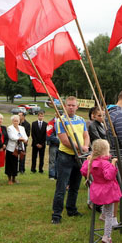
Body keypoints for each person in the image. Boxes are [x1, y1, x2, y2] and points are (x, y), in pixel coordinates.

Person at [51, 96, 90, 224]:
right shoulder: (61, 121)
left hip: (79, 157)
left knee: (75, 185)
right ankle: (56, 214)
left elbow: (86, 135)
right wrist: (81, 148)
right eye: (69, 105)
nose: (71, 107)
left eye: (73, 105)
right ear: (65, 106)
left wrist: (85, 146)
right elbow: (64, 140)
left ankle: (71, 209)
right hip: (65, 156)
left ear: (77, 107)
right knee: (61, 186)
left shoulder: (81, 120)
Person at [80, 139, 121, 243]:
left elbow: (84, 171)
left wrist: (87, 160)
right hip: (108, 191)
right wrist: (113, 164)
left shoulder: (92, 162)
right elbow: (109, 176)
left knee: (106, 208)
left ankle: (103, 214)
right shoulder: (105, 163)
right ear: (105, 151)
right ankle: (107, 236)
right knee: (110, 215)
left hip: (97, 190)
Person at [6, 115, 27, 185]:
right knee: (10, 163)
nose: (16, 122)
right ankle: (9, 179)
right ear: (12, 121)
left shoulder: (22, 128)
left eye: (17, 121)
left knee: (16, 163)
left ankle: (14, 178)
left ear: (19, 121)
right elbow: (12, 137)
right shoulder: (9, 128)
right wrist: (20, 138)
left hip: (19, 148)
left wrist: (24, 139)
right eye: (14, 121)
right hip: (11, 148)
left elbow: (25, 137)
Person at [46, 113, 60, 180]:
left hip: (62, 145)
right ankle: (51, 175)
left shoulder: (63, 122)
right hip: (53, 144)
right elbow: (49, 135)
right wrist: (58, 141)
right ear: (55, 114)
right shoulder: (51, 122)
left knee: (59, 160)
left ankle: (57, 175)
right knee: (52, 160)